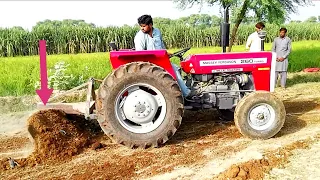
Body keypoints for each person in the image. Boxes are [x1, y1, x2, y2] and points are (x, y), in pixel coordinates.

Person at [133, 14, 193, 99]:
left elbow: (161, 46)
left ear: (150, 25)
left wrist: (166, 53)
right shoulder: (140, 37)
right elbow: (140, 54)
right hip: (151, 63)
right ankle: (186, 93)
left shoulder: (157, 32)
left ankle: (179, 92)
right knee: (174, 70)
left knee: (178, 68)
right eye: (141, 26)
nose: (142, 28)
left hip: (161, 60)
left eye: (144, 26)